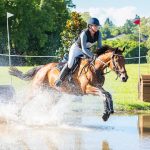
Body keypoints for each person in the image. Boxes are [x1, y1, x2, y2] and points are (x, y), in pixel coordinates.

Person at [55, 17, 102, 86]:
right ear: (90, 26)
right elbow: (83, 49)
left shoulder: (98, 34)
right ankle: (60, 79)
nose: (97, 27)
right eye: (95, 26)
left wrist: (98, 55)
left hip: (87, 49)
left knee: (89, 63)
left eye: (98, 26)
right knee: (70, 63)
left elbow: (99, 47)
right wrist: (92, 55)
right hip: (76, 49)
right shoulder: (84, 33)